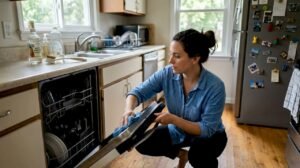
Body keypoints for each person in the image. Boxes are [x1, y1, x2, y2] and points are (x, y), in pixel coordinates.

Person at [122, 28, 227, 168]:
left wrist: (173, 119)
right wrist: (128, 110)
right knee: (142, 143)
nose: (170, 60)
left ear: (195, 58)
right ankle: (182, 155)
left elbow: (207, 129)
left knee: (199, 156)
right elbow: (137, 92)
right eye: (171, 54)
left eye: (177, 56)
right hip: (179, 130)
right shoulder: (167, 74)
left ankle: (194, 157)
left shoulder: (215, 87)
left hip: (210, 136)